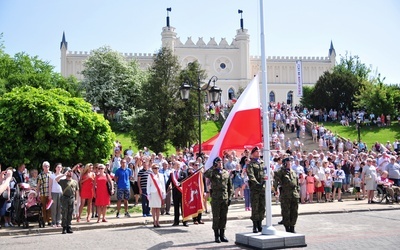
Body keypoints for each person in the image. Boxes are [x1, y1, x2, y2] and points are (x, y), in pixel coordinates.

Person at [204, 157, 233, 243]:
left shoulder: (226, 173)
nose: (220, 164)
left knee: (223, 217)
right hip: (216, 198)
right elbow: (206, 174)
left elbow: (230, 186)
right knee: (216, 217)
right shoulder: (213, 172)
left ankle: (222, 235)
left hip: (224, 198)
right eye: (218, 163)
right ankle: (216, 236)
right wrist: (213, 167)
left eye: (221, 162)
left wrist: (230, 197)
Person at [274, 157, 300, 233]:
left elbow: (297, 183)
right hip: (285, 195)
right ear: (284, 164)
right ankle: (287, 228)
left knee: (294, 212)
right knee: (286, 212)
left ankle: (292, 226)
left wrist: (297, 191)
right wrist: (275, 190)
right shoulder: (280, 172)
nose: (289, 164)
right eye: (288, 163)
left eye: (290, 163)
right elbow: (276, 182)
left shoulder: (293, 172)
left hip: (294, 195)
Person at [246, 146, 266, 233]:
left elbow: (266, 173)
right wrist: (257, 183)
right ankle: (255, 225)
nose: (259, 153)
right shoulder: (250, 164)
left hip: (263, 188)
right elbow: (251, 175)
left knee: (262, 207)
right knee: (255, 207)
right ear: (253, 153)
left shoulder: (262, 162)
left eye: (259, 151)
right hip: (255, 189)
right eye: (257, 151)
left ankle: (260, 224)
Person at [56, 167, 79, 234]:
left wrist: (76, 200)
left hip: (71, 198)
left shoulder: (74, 182)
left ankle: (69, 226)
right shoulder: (63, 181)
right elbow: (56, 179)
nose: (70, 173)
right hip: (65, 198)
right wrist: (63, 174)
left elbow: (77, 191)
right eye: (68, 171)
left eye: (71, 171)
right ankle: (64, 227)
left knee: (70, 213)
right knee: (64, 213)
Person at [166, 161, 189, 227]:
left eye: (179, 164)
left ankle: (185, 221)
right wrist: (165, 190)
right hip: (175, 193)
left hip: (182, 193)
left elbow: (186, 182)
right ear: (174, 166)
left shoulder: (184, 173)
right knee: (176, 208)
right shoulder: (172, 174)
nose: (178, 166)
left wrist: (181, 184)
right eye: (177, 164)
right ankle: (176, 221)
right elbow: (168, 183)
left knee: (183, 208)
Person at [147, 163, 166, 227]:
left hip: (159, 192)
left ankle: (158, 221)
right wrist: (148, 193)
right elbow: (148, 185)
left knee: (158, 207)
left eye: (158, 168)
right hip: (153, 192)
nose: (157, 169)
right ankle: (154, 221)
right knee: (153, 207)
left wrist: (164, 193)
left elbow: (163, 185)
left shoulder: (161, 175)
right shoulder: (150, 175)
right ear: (152, 169)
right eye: (155, 168)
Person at [48, 163, 64, 227]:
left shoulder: (63, 176)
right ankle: (53, 222)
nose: (59, 168)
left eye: (60, 167)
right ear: (55, 168)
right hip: (54, 192)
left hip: (61, 192)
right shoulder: (52, 175)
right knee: (54, 208)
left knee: (59, 207)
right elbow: (50, 185)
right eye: (58, 167)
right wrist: (50, 194)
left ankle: (58, 221)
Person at [37, 161, 52, 226]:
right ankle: (44, 220)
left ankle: (49, 220)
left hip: (50, 193)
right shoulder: (40, 175)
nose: (47, 167)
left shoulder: (51, 174)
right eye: (46, 166)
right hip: (43, 193)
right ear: (43, 167)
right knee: (43, 207)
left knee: (49, 207)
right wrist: (37, 194)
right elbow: (38, 185)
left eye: (48, 166)